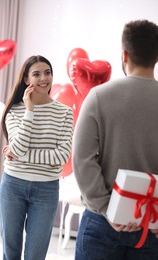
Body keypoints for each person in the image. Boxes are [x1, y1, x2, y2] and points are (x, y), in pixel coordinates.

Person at [72, 19, 158, 260]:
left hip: (102, 223)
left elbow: (82, 159)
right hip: (151, 225)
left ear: (124, 54)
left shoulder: (98, 96)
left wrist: (107, 208)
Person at [0, 55, 73, 260]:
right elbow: (18, 148)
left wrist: (21, 157)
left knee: (35, 255)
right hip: (13, 186)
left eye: (47, 72)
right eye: (36, 73)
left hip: (46, 190)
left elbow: (62, 155)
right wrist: (29, 111)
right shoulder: (14, 111)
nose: (44, 78)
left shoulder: (64, 112)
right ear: (26, 79)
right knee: (10, 253)